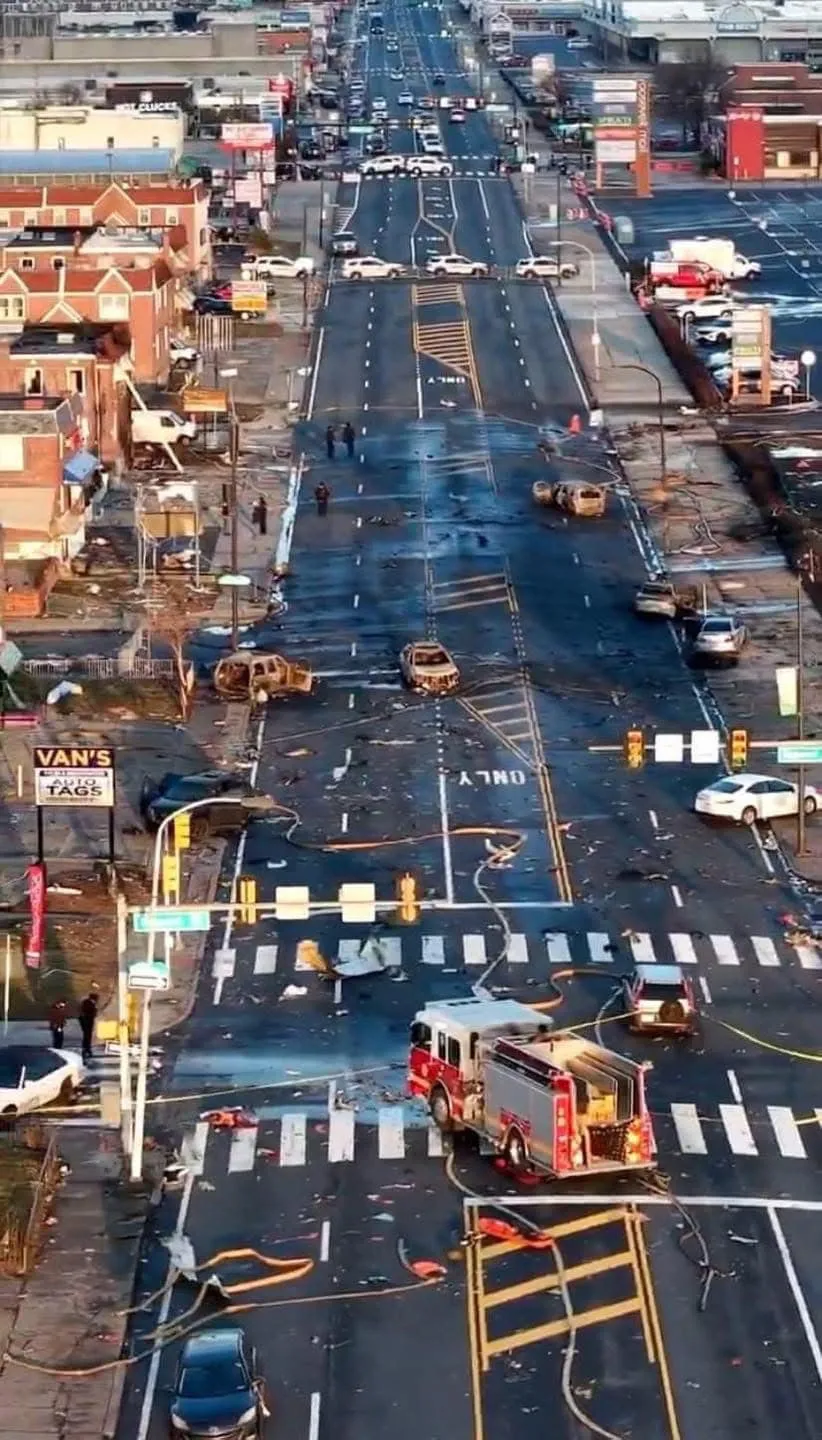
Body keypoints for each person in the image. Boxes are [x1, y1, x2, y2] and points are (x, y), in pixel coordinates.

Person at [78, 985, 99, 1063]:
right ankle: (86, 1049)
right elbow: (88, 1013)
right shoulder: (88, 1003)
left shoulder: (88, 1002)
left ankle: (87, 1049)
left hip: (87, 1021)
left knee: (87, 1036)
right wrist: (94, 1011)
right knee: (87, 1036)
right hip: (87, 1021)